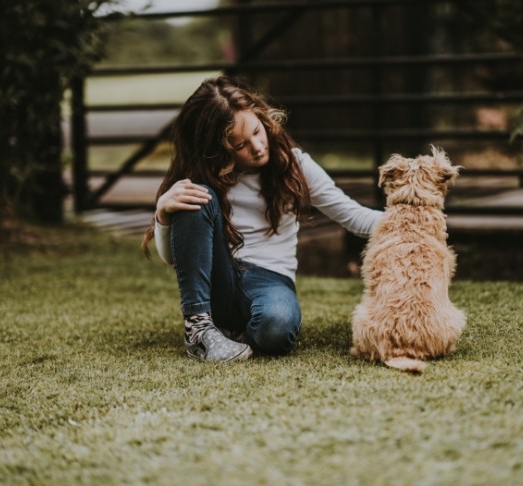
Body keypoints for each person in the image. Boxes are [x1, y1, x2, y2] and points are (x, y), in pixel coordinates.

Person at [142, 75, 383, 362]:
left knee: (276, 330)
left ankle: (231, 334)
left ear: (264, 118)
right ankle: (199, 330)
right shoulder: (200, 180)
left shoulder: (295, 166)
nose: (257, 147)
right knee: (195, 194)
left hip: (271, 279)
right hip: (219, 277)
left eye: (257, 131)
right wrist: (163, 214)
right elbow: (173, 259)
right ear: (217, 150)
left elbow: (353, 216)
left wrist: (415, 220)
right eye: (239, 145)